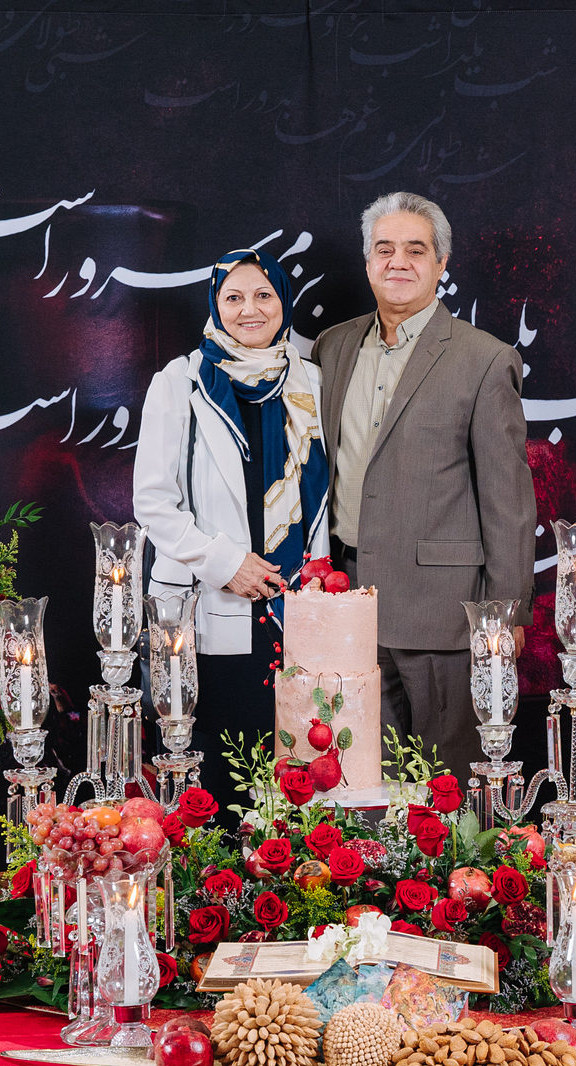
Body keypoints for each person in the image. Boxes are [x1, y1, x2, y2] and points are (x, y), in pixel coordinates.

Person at [314, 191, 534, 772]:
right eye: (384, 249)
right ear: (367, 262)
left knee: (445, 786)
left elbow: (509, 503)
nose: (399, 262)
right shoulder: (334, 347)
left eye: (416, 250)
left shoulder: (484, 360)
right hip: (344, 605)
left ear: (441, 264)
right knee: (360, 782)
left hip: (445, 614)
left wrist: (504, 616)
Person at [132, 249, 330, 817]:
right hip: (207, 611)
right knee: (214, 781)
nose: (250, 309)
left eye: (264, 295)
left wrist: (318, 581)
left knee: (294, 781)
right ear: (215, 305)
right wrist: (225, 564)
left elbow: (326, 493)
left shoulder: (311, 382)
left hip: (294, 608)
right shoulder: (180, 381)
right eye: (234, 297)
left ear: (283, 303)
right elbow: (153, 501)